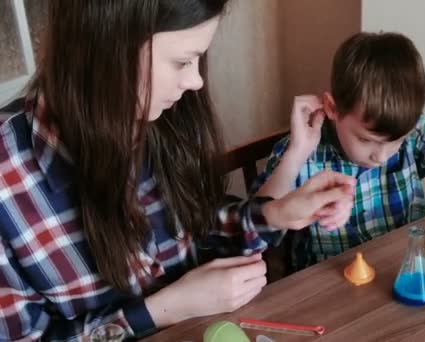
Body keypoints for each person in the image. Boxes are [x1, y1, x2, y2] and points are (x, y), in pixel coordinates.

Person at [0, 1, 356, 340]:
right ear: (108, 48)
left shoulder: (158, 117)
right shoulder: (10, 177)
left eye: (199, 59)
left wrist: (276, 214)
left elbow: (195, 230)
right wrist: (164, 309)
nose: (196, 81)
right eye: (182, 62)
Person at [254, 32, 425, 270]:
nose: (380, 156)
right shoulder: (303, 153)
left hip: (401, 272)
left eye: (396, 141)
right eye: (365, 139)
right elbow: (256, 234)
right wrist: (296, 153)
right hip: (329, 291)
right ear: (332, 107)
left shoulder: (417, 133)